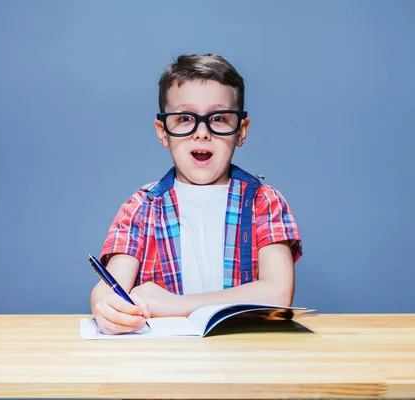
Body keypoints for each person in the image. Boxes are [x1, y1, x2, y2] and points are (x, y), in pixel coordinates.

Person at [90, 53, 302, 334]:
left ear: (241, 130)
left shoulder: (264, 202)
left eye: (219, 118)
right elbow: (107, 291)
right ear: (163, 131)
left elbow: (278, 295)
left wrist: (174, 305)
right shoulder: (141, 207)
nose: (202, 133)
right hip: (166, 364)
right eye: (184, 118)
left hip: (245, 359)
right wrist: (107, 308)